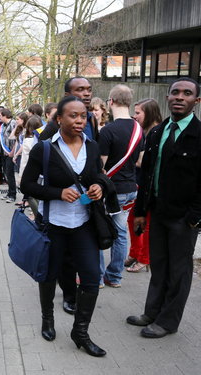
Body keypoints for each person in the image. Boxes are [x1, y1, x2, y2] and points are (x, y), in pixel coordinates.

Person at [21, 96, 111, 357]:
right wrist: (57, 192)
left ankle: (80, 332)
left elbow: (100, 176)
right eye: (73, 115)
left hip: (83, 224)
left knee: (92, 278)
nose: (79, 120)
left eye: (83, 115)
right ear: (59, 118)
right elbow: (27, 185)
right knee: (49, 275)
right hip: (54, 225)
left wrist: (99, 187)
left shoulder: (92, 147)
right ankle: (47, 319)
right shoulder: (45, 149)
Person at [128, 78, 201, 338]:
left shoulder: (198, 135)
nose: (180, 97)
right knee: (158, 265)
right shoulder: (157, 133)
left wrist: (194, 219)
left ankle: (168, 321)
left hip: (184, 219)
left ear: (196, 100)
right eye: (175, 93)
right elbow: (146, 177)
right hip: (156, 213)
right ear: (168, 98)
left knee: (178, 271)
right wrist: (140, 212)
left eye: (187, 93)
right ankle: (152, 312)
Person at [99, 85, 144, 288]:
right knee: (121, 233)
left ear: (111, 102)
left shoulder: (108, 130)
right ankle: (115, 277)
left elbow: (101, 166)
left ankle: (98, 276)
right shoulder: (138, 129)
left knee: (99, 230)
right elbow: (139, 162)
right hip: (130, 189)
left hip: (110, 191)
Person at [125, 98, 162, 273]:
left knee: (145, 224)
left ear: (149, 113)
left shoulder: (157, 133)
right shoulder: (143, 131)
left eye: (138, 112)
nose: (135, 115)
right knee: (133, 220)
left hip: (146, 187)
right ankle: (135, 253)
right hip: (137, 183)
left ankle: (144, 258)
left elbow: (147, 163)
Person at [0, 108, 17, 203]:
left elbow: (17, 139)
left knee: (10, 174)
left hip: (11, 153)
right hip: (5, 153)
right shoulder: (3, 125)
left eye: (1, 116)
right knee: (6, 173)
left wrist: (13, 152)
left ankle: (13, 194)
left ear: (5, 116)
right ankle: (9, 192)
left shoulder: (14, 124)